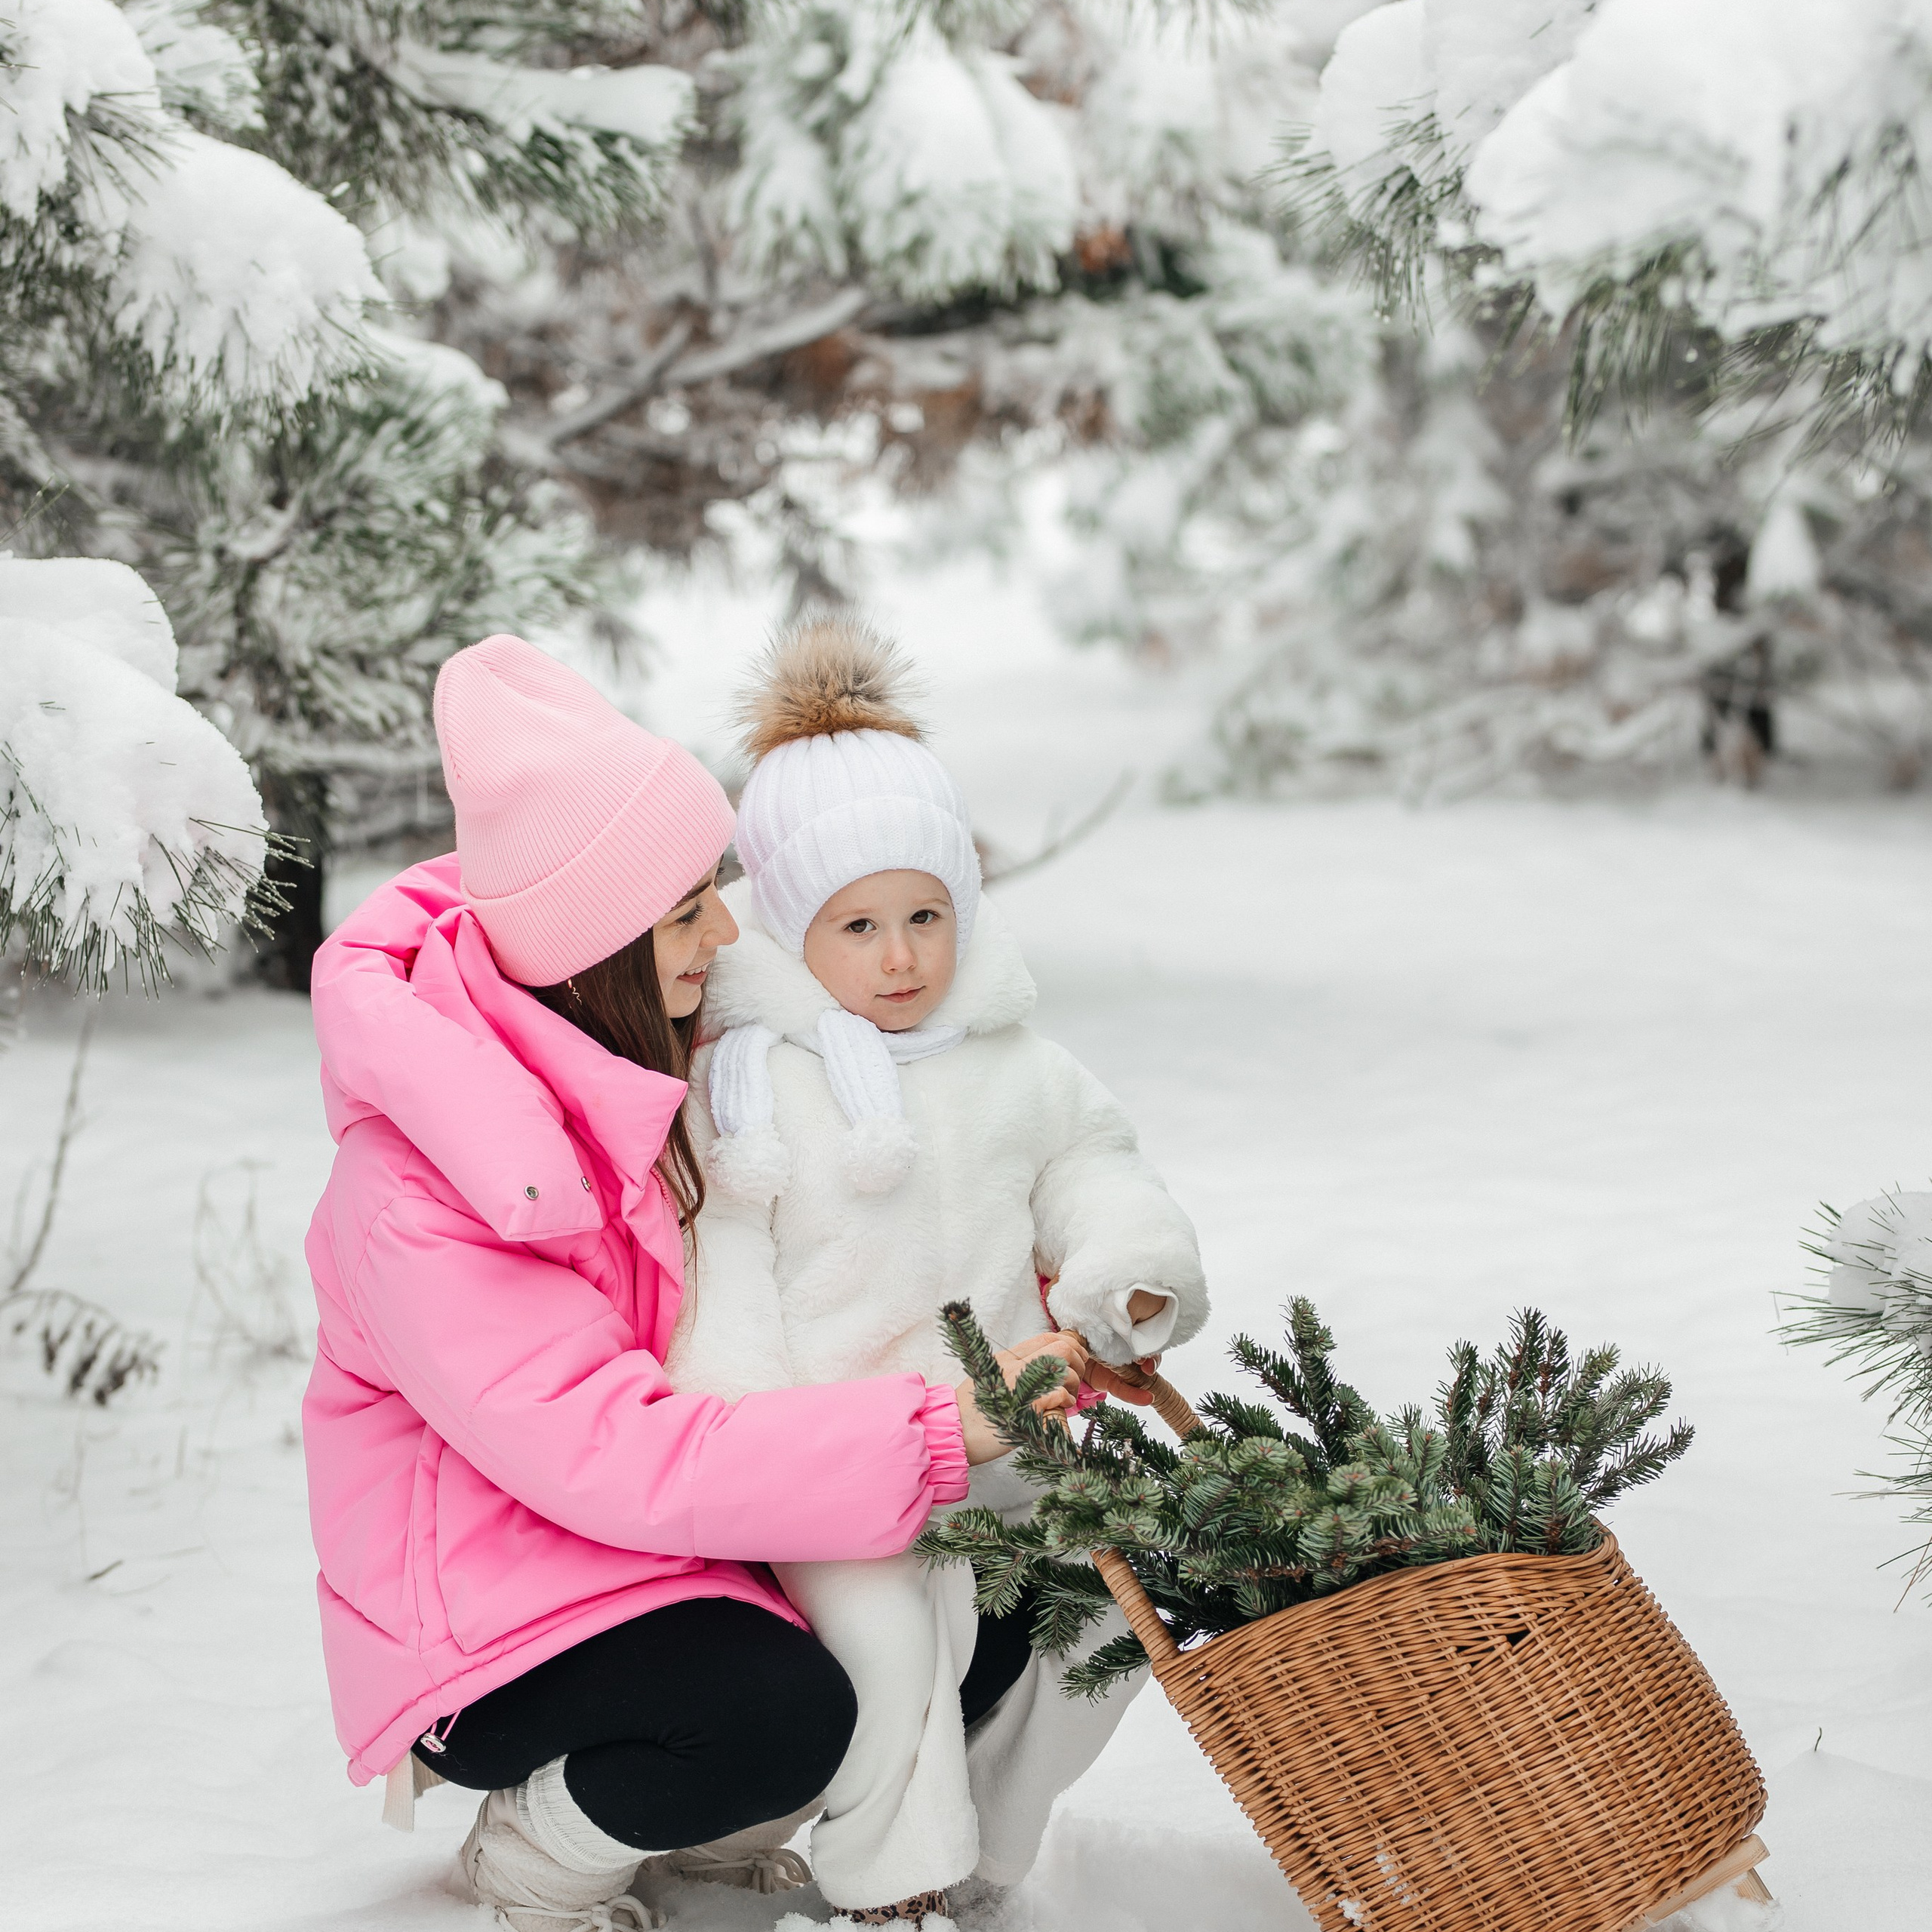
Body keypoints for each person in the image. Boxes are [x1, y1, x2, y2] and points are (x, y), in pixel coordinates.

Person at [300, 635, 1122, 1932]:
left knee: (995, 1597)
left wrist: (1022, 1257)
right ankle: (539, 1856)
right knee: (783, 1708)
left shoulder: (652, 1055)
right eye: (689, 907)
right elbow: (611, 1455)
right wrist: (933, 1428)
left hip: (667, 1550)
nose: (729, 928)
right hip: (494, 1612)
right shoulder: (423, 1193)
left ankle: (797, 1845)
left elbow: (844, 1202)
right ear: (599, 947)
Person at [667, 617, 1210, 1924]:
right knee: (896, 1641)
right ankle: (884, 1890)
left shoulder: (1013, 1061)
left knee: (1111, 1611)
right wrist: (743, 1443)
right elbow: (723, 1267)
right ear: (796, 934)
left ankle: (978, 1847)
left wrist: (1125, 1272)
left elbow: (1092, 1162)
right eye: (860, 926)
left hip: (1015, 1436)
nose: (902, 958)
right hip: (840, 1461)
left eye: (926, 915)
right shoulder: (751, 1090)